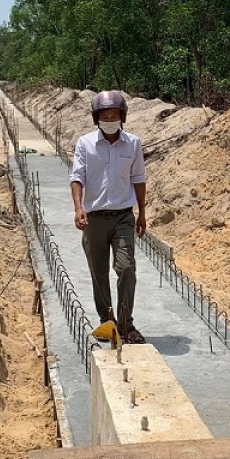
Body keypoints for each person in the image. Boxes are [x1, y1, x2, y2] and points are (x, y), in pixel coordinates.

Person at [69, 90, 148, 344]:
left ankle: (127, 323)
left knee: (126, 268)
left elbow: (138, 179)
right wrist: (79, 207)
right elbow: (77, 177)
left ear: (122, 117)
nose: (110, 119)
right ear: (96, 118)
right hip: (94, 218)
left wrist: (142, 213)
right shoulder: (85, 144)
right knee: (99, 272)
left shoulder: (133, 144)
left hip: (123, 216)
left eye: (115, 115)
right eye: (105, 116)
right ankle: (107, 321)